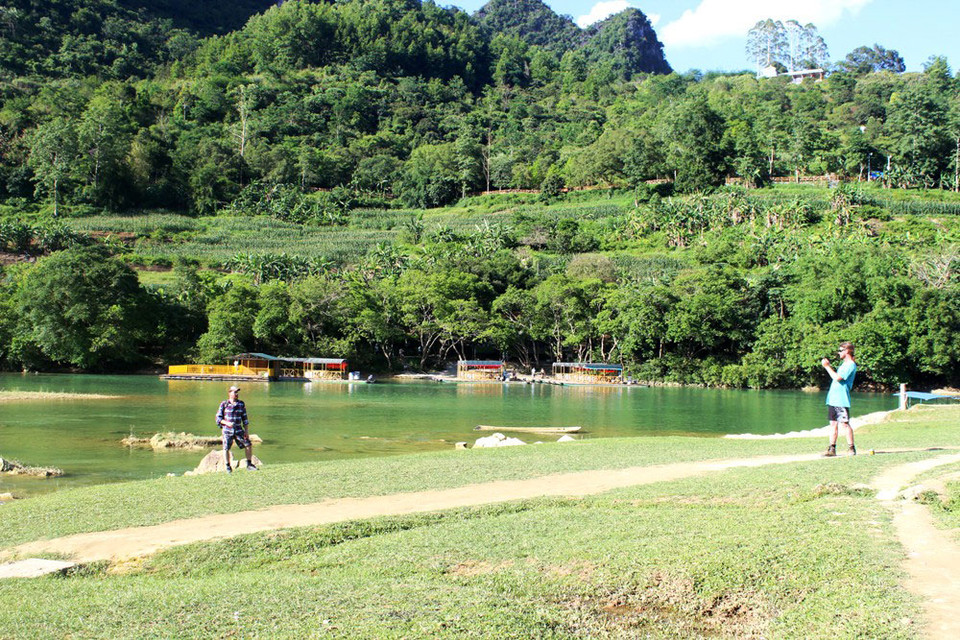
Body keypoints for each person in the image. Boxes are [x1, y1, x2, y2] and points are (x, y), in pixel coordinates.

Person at [821, 342, 857, 457]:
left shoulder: (851, 365)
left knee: (845, 424)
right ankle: (832, 448)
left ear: (847, 351)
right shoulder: (843, 364)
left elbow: (838, 378)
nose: (839, 352)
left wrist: (827, 367)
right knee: (833, 424)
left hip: (841, 399)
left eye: (841, 350)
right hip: (833, 399)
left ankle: (851, 448)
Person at [216, 385, 257, 472]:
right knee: (226, 448)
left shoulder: (241, 404)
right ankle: (228, 466)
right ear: (229, 393)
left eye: (237, 392)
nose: (236, 394)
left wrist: (246, 431)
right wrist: (227, 423)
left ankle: (249, 464)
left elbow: (245, 419)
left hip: (238, 430)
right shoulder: (224, 404)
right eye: (235, 392)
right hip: (227, 431)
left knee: (248, 444)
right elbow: (218, 418)